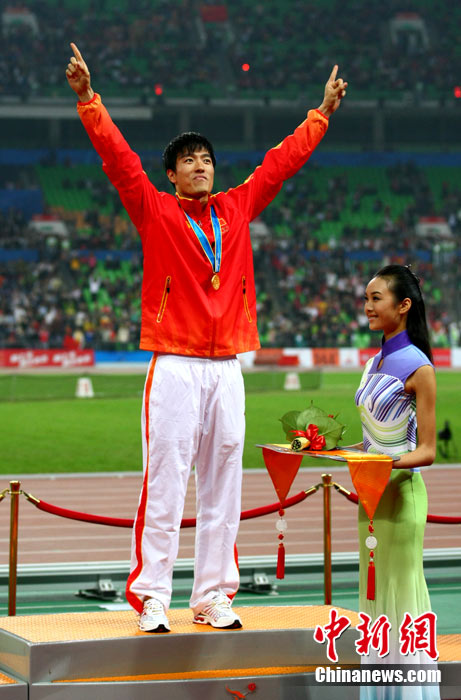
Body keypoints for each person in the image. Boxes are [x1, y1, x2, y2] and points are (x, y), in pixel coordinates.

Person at [66, 42, 346, 633]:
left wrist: (320, 114)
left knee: (224, 484)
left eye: (207, 159)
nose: (200, 165)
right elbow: (119, 159)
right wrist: (89, 100)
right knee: (166, 482)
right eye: (188, 160)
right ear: (171, 174)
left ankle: (213, 595)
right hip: (174, 362)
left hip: (227, 367)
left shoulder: (237, 209)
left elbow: (278, 164)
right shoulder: (155, 211)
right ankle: (151, 596)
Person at [355, 264, 440, 699]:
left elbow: (427, 450)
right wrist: (331, 449)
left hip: (402, 496)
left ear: (403, 305)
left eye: (376, 298)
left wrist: (383, 465)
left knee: (401, 598)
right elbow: (370, 440)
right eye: (366, 299)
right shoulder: (374, 362)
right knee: (373, 601)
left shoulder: (420, 367)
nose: (367, 307)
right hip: (370, 497)